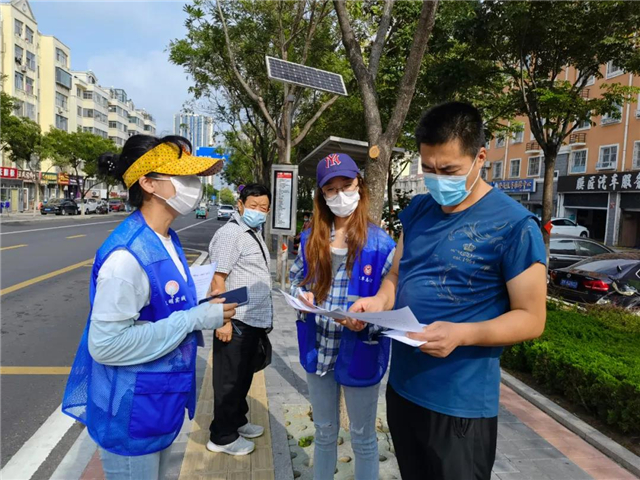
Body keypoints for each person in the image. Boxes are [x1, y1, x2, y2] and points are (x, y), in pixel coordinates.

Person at [351, 102, 547, 480]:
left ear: (480, 158)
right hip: (404, 388)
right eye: (429, 169)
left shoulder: (515, 226)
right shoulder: (419, 210)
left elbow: (532, 318)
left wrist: (462, 333)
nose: (437, 179)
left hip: (459, 404)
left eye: (449, 170)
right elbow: (396, 274)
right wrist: (378, 302)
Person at [62, 135, 237, 480]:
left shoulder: (167, 238)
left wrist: (200, 306)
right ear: (148, 183)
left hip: (157, 403)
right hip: (131, 414)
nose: (194, 185)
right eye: (183, 176)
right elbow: (106, 344)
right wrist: (193, 319)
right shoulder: (126, 256)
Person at [290, 153, 396, 480]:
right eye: (331, 189)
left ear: (359, 186)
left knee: (363, 437)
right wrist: (302, 295)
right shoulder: (311, 238)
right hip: (319, 347)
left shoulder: (380, 244)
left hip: (360, 348)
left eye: (346, 185)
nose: (340, 195)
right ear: (321, 195)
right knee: (324, 431)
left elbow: (391, 299)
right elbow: (295, 280)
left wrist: (369, 317)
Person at [207, 183, 273, 456]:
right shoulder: (230, 234)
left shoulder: (251, 232)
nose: (259, 211)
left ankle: (237, 421)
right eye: (253, 206)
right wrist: (222, 321)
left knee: (243, 376)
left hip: (252, 320)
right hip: (235, 321)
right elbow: (217, 278)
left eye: (264, 207)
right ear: (241, 204)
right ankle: (222, 437)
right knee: (229, 380)